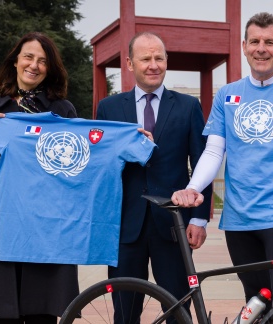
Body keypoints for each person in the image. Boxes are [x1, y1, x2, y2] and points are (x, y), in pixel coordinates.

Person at [171, 12, 273, 316]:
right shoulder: (227, 94)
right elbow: (213, 152)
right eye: (255, 41)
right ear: (244, 46)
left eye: (269, 42)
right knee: (256, 304)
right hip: (239, 218)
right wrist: (193, 187)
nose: (262, 48)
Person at [0, 32, 78, 324]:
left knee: (42, 311)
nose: (34, 65)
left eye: (43, 61)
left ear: (50, 68)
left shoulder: (62, 111)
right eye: (28, 57)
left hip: (45, 222)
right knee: (5, 312)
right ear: (15, 62)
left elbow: (78, 161)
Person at [96, 32, 212, 321]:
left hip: (173, 224)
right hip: (124, 226)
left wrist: (199, 218)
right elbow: (100, 164)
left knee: (178, 309)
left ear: (166, 62)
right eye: (145, 58)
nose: (153, 65)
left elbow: (202, 163)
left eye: (159, 58)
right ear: (130, 63)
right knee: (124, 312)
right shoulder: (109, 108)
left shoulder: (187, 106)